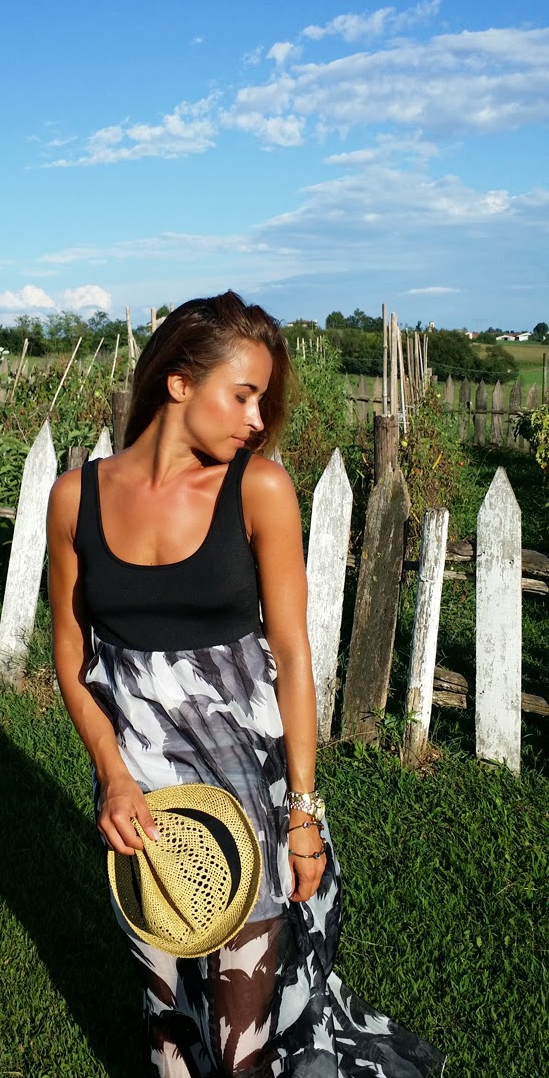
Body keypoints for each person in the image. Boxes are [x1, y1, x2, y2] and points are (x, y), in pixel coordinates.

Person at [47, 291, 445, 1077]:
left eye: (263, 400)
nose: (258, 420)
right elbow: (70, 651)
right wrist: (112, 775)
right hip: (144, 795)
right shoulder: (76, 498)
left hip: (250, 791)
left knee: (241, 1044)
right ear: (179, 382)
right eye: (243, 395)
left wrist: (304, 813)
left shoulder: (257, 489)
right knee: (168, 1024)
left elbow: (292, 655)